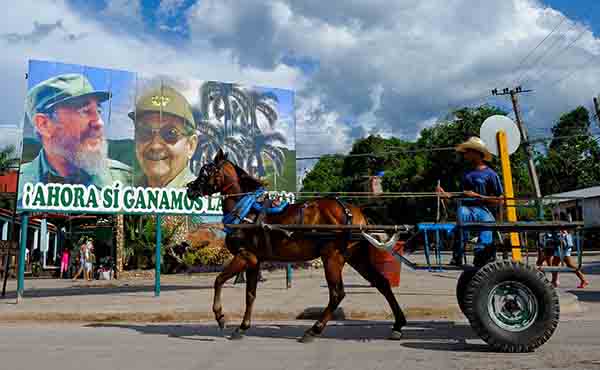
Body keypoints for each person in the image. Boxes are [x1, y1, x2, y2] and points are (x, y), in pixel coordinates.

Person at [19, 74, 132, 203]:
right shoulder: (18, 184)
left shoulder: (124, 179)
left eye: (98, 111)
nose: (99, 123)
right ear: (44, 124)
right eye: (84, 111)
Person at [436, 136, 504, 267]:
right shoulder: (466, 174)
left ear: (476, 153)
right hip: (466, 208)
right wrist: (445, 195)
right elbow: (461, 195)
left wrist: (478, 196)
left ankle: (482, 254)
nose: (465, 154)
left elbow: (500, 200)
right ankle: (458, 254)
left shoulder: (490, 174)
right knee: (461, 216)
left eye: (467, 151)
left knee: (486, 226)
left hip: (485, 210)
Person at [128, 85, 199, 188]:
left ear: (191, 146)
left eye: (170, 133)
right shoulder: (122, 194)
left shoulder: (206, 201)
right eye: (145, 132)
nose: (155, 146)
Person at [550, 213, 589, 289]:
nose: (554, 219)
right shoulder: (558, 224)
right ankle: (554, 281)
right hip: (559, 246)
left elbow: (565, 233)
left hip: (564, 247)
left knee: (570, 265)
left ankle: (583, 280)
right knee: (554, 265)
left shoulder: (563, 224)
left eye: (555, 217)